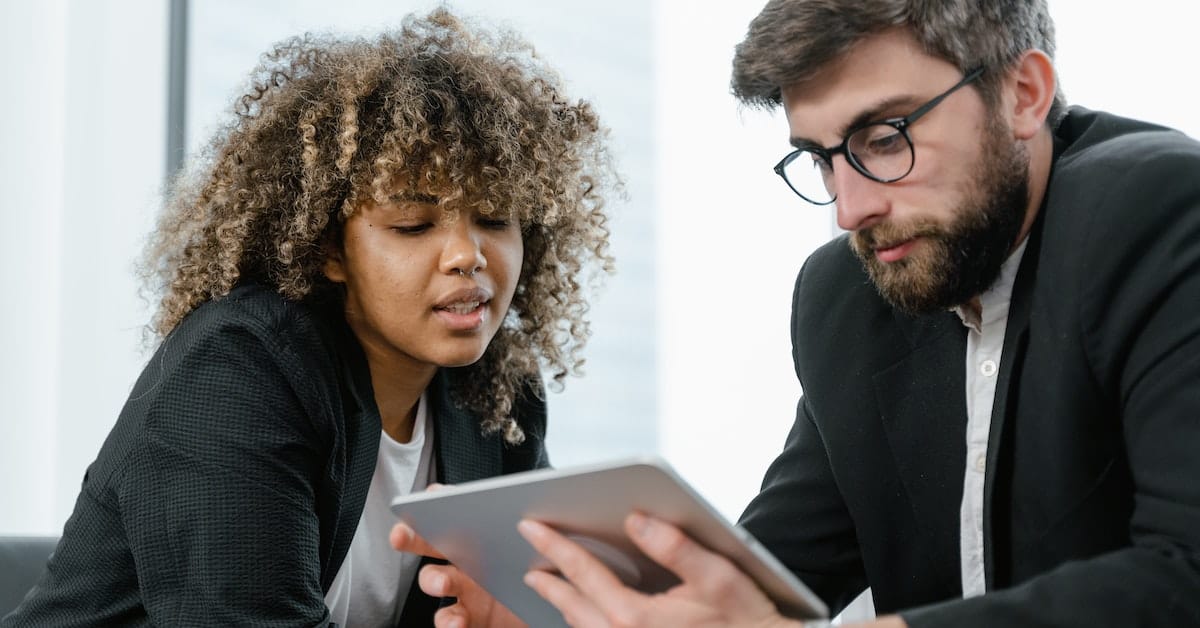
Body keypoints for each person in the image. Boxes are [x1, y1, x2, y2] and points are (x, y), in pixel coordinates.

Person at [394, 0, 1200, 626]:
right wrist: (573, 610)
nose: (850, 210)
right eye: (821, 159)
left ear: (1023, 94)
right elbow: (769, 579)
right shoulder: (847, 295)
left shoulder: (1160, 210)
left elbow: (1185, 575)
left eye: (884, 139)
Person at [2, 8, 616, 627]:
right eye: (413, 225)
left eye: (495, 218)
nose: (468, 255)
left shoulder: (497, 395)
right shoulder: (237, 370)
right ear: (329, 250)